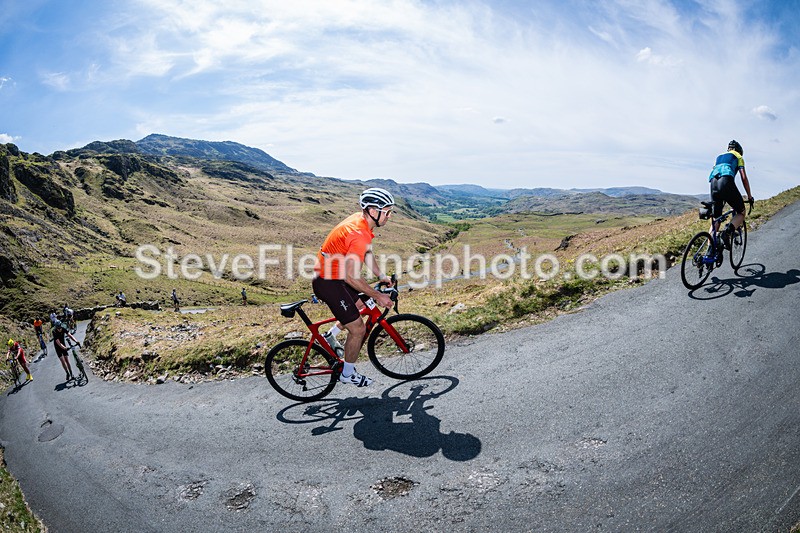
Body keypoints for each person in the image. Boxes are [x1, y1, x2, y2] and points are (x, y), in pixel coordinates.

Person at [312, 187, 395, 387]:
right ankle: (347, 374)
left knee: (361, 306)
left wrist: (380, 275)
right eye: (387, 211)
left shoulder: (362, 221)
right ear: (374, 211)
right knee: (357, 329)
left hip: (333, 276)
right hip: (328, 282)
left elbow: (366, 252)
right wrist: (378, 295)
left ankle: (330, 335)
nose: (390, 216)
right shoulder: (358, 233)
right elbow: (350, 276)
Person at [708, 140, 754, 249]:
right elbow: (743, 177)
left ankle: (710, 250)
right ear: (739, 150)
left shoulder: (718, 157)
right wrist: (749, 196)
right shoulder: (738, 157)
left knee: (716, 218)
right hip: (726, 182)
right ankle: (727, 233)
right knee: (741, 212)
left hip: (713, 183)